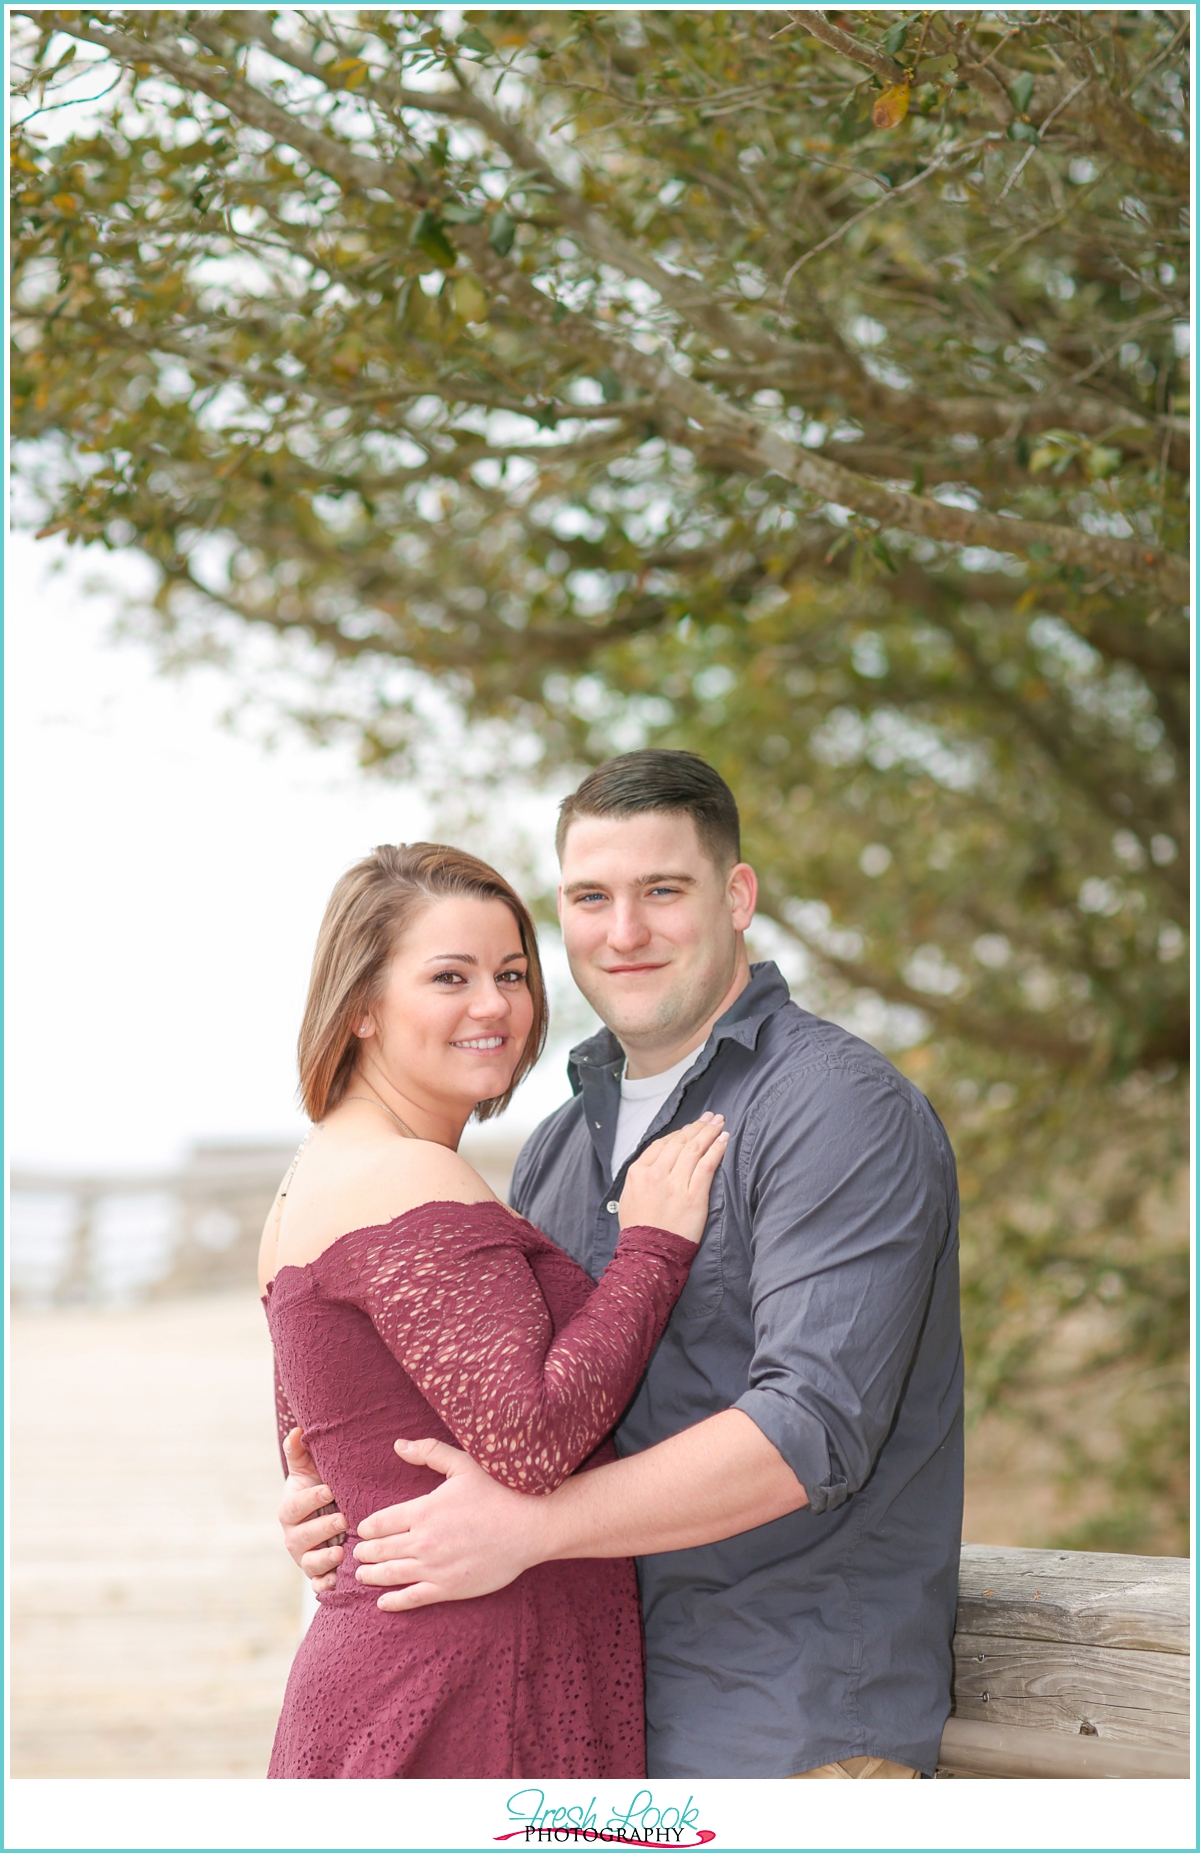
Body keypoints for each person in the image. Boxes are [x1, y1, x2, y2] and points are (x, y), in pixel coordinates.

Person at [282, 752, 964, 1780]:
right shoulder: (557, 1148)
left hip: (780, 1725)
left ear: (737, 897)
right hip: (587, 1720)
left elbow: (810, 1427)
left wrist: (525, 1530)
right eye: (593, 897)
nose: (625, 930)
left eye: (663, 890)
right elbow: (501, 1402)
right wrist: (342, 1490)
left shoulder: (834, 1110)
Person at [259, 840, 728, 1778]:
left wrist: (314, 1505)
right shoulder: (404, 1175)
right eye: (450, 976)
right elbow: (528, 1437)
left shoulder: (313, 1177)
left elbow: (314, 1438)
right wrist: (653, 1246)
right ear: (360, 1007)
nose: (495, 1005)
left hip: (419, 1663)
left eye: (512, 973)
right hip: (470, 1682)